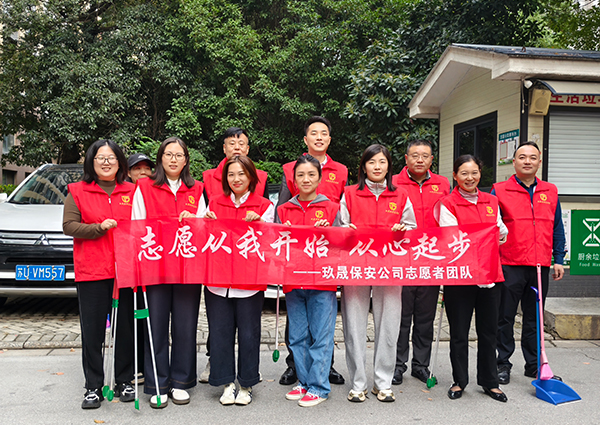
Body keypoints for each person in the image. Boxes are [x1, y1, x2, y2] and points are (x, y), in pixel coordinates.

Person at [131, 137, 206, 408]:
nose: (173, 159)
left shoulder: (197, 188)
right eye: (168, 154)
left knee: (185, 326)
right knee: (156, 326)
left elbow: (205, 228)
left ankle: (181, 382)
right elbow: (137, 227)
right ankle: (157, 384)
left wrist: (196, 222)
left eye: (179, 155)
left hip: (187, 269)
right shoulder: (144, 187)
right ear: (160, 158)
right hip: (155, 268)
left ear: (186, 160)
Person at [339, 144, 417, 403]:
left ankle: (383, 383)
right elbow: (339, 228)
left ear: (389, 166)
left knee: (389, 325)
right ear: (363, 166)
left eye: (382, 162)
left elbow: (413, 230)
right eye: (371, 162)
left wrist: (403, 230)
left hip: (390, 268)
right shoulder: (349, 194)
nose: (377, 167)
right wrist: (346, 230)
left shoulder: (401, 195)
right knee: (354, 325)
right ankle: (358, 383)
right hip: (356, 267)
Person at [63, 139, 135, 409]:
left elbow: (144, 226)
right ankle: (93, 386)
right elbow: (69, 225)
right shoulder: (78, 191)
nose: (106, 162)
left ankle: (124, 381)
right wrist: (98, 228)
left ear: (120, 163)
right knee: (93, 332)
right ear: (91, 162)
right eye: (100, 158)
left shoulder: (133, 190)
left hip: (125, 271)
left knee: (125, 329)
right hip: (92, 271)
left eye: (111, 158)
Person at [277, 116, 348, 387]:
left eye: (323, 133)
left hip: (323, 269)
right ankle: (298, 371)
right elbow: (279, 226)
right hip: (295, 270)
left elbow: (342, 229)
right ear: (305, 139)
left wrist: (334, 230)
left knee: (322, 329)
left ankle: (321, 377)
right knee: (297, 329)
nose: (319, 137)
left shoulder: (340, 174)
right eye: (313, 133)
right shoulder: (287, 190)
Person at [203, 155, 274, 406]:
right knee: (220, 334)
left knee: (249, 335)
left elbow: (272, 242)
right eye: (231, 174)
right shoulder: (214, 202)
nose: (236, 179)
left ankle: (246, 383)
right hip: (217, 281)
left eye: (241, 174)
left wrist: (261, 224)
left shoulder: (264, 205)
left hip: (249, 282)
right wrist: (204, 223)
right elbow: (202, 237)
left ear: (251, 177)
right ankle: (226, 383)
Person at [493, 141, 566, 384]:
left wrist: (558, 258)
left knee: (534, 318)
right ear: (513, 162)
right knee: (504, 317)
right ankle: (502, 364)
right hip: (509, 263)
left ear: (539, 162)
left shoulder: (550, 191)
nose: (527, 161)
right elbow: (491, 227)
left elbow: (557, 226)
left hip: (539, 265)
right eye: (522, 157)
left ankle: (534, 365)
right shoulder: (499, 191)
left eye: (532, 157)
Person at [438, 155, 508, 402]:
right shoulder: (448, 203)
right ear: (455, 176)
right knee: (459, 332)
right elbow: (451, 237)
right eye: (464, 173)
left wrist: (491, 236)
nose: (470, 178)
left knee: (489, 331)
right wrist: (485, 238)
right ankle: (459, 381)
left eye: (474, 172)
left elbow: (501, 231)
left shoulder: (491, 201)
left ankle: (490, 382)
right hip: (461, 277)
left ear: (480, 173)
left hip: (490, 275)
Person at [392, 140, 450, 385]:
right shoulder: (393, 182)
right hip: (402, 258)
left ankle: (421, 365)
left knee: (425, 318)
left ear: (431, 160)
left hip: (431, 259)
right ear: (406, 158)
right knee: (401, 317)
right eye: (414, 155)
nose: (419, 160)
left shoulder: (443, 184)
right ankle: (397, 365)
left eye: (425, 156)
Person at [126, 153, 156, 386]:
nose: (143, 172)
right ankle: (130, 365)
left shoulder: (153, 191)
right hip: (127, 264)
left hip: (150, 262)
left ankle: (147, 365)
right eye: (137, 168)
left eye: (147, 168)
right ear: (128, 172)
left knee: (147, 316)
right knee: (130, 316)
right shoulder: (123, 192)